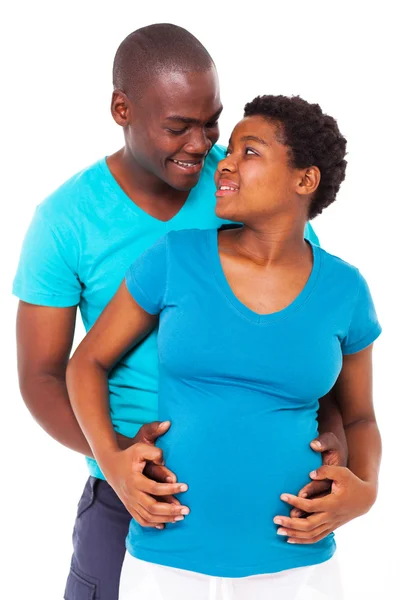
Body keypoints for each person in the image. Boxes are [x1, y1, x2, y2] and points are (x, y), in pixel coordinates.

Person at [13, 24, 345, 600]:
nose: (202, 144)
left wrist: (336, 439)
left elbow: (309, 339)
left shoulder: (247, 192)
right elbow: (42, 374)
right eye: (178, 127)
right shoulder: (66, 220)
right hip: (129, 499)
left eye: (211, 121)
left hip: (267, 511)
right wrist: (116, 460)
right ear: (122, 108)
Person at [66, 94, 382, 600]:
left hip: (296, 566)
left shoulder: (345, 290)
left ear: (305, 180)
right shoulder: (174, 259)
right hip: (168, 559)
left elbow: (360, 417)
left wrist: (364, 493)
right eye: (229, 148)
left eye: (249, 152)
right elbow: (87, 363)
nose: (225, 162)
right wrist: (112, 461)